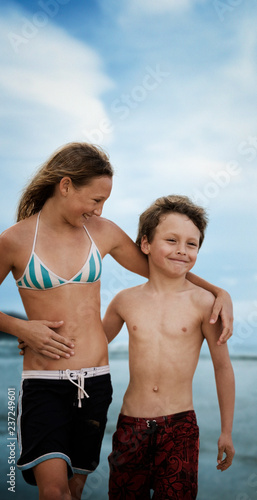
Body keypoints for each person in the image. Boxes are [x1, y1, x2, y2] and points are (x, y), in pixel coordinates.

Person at [0, 143, 232, 500]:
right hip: (44, 380)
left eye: (104, 202)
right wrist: (21, 327)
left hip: (96, 384)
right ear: (65, 186)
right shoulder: (14, 241)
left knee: (74, 491)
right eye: (95, 199)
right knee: (54, 492)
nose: (100, 209)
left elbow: (164, 269)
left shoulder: (101, 231)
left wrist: (220, 293)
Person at [103, 195, 235, 500]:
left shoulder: (205, 304)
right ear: (146, 244)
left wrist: (226, 431)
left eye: (192, 244)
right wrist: (41, 341)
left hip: (180, 428)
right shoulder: (125, 300)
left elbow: (222, 367)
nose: (182, 251)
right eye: (172, 240)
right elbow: (93, 344)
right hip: (130, 426)